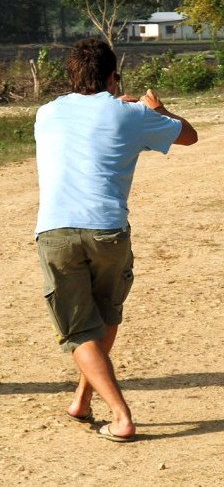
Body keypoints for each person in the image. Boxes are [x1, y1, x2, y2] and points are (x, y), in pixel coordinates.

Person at [34, 38, 198, 442]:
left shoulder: (46, 113)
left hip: (56, 231)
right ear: (113, 77)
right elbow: (189, 136)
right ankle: (88, 402)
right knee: (105, 315)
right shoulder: (132, 114)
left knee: (78, 330)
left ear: (71, 76)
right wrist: (156, 109)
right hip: (108, 231)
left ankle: (114, 413)